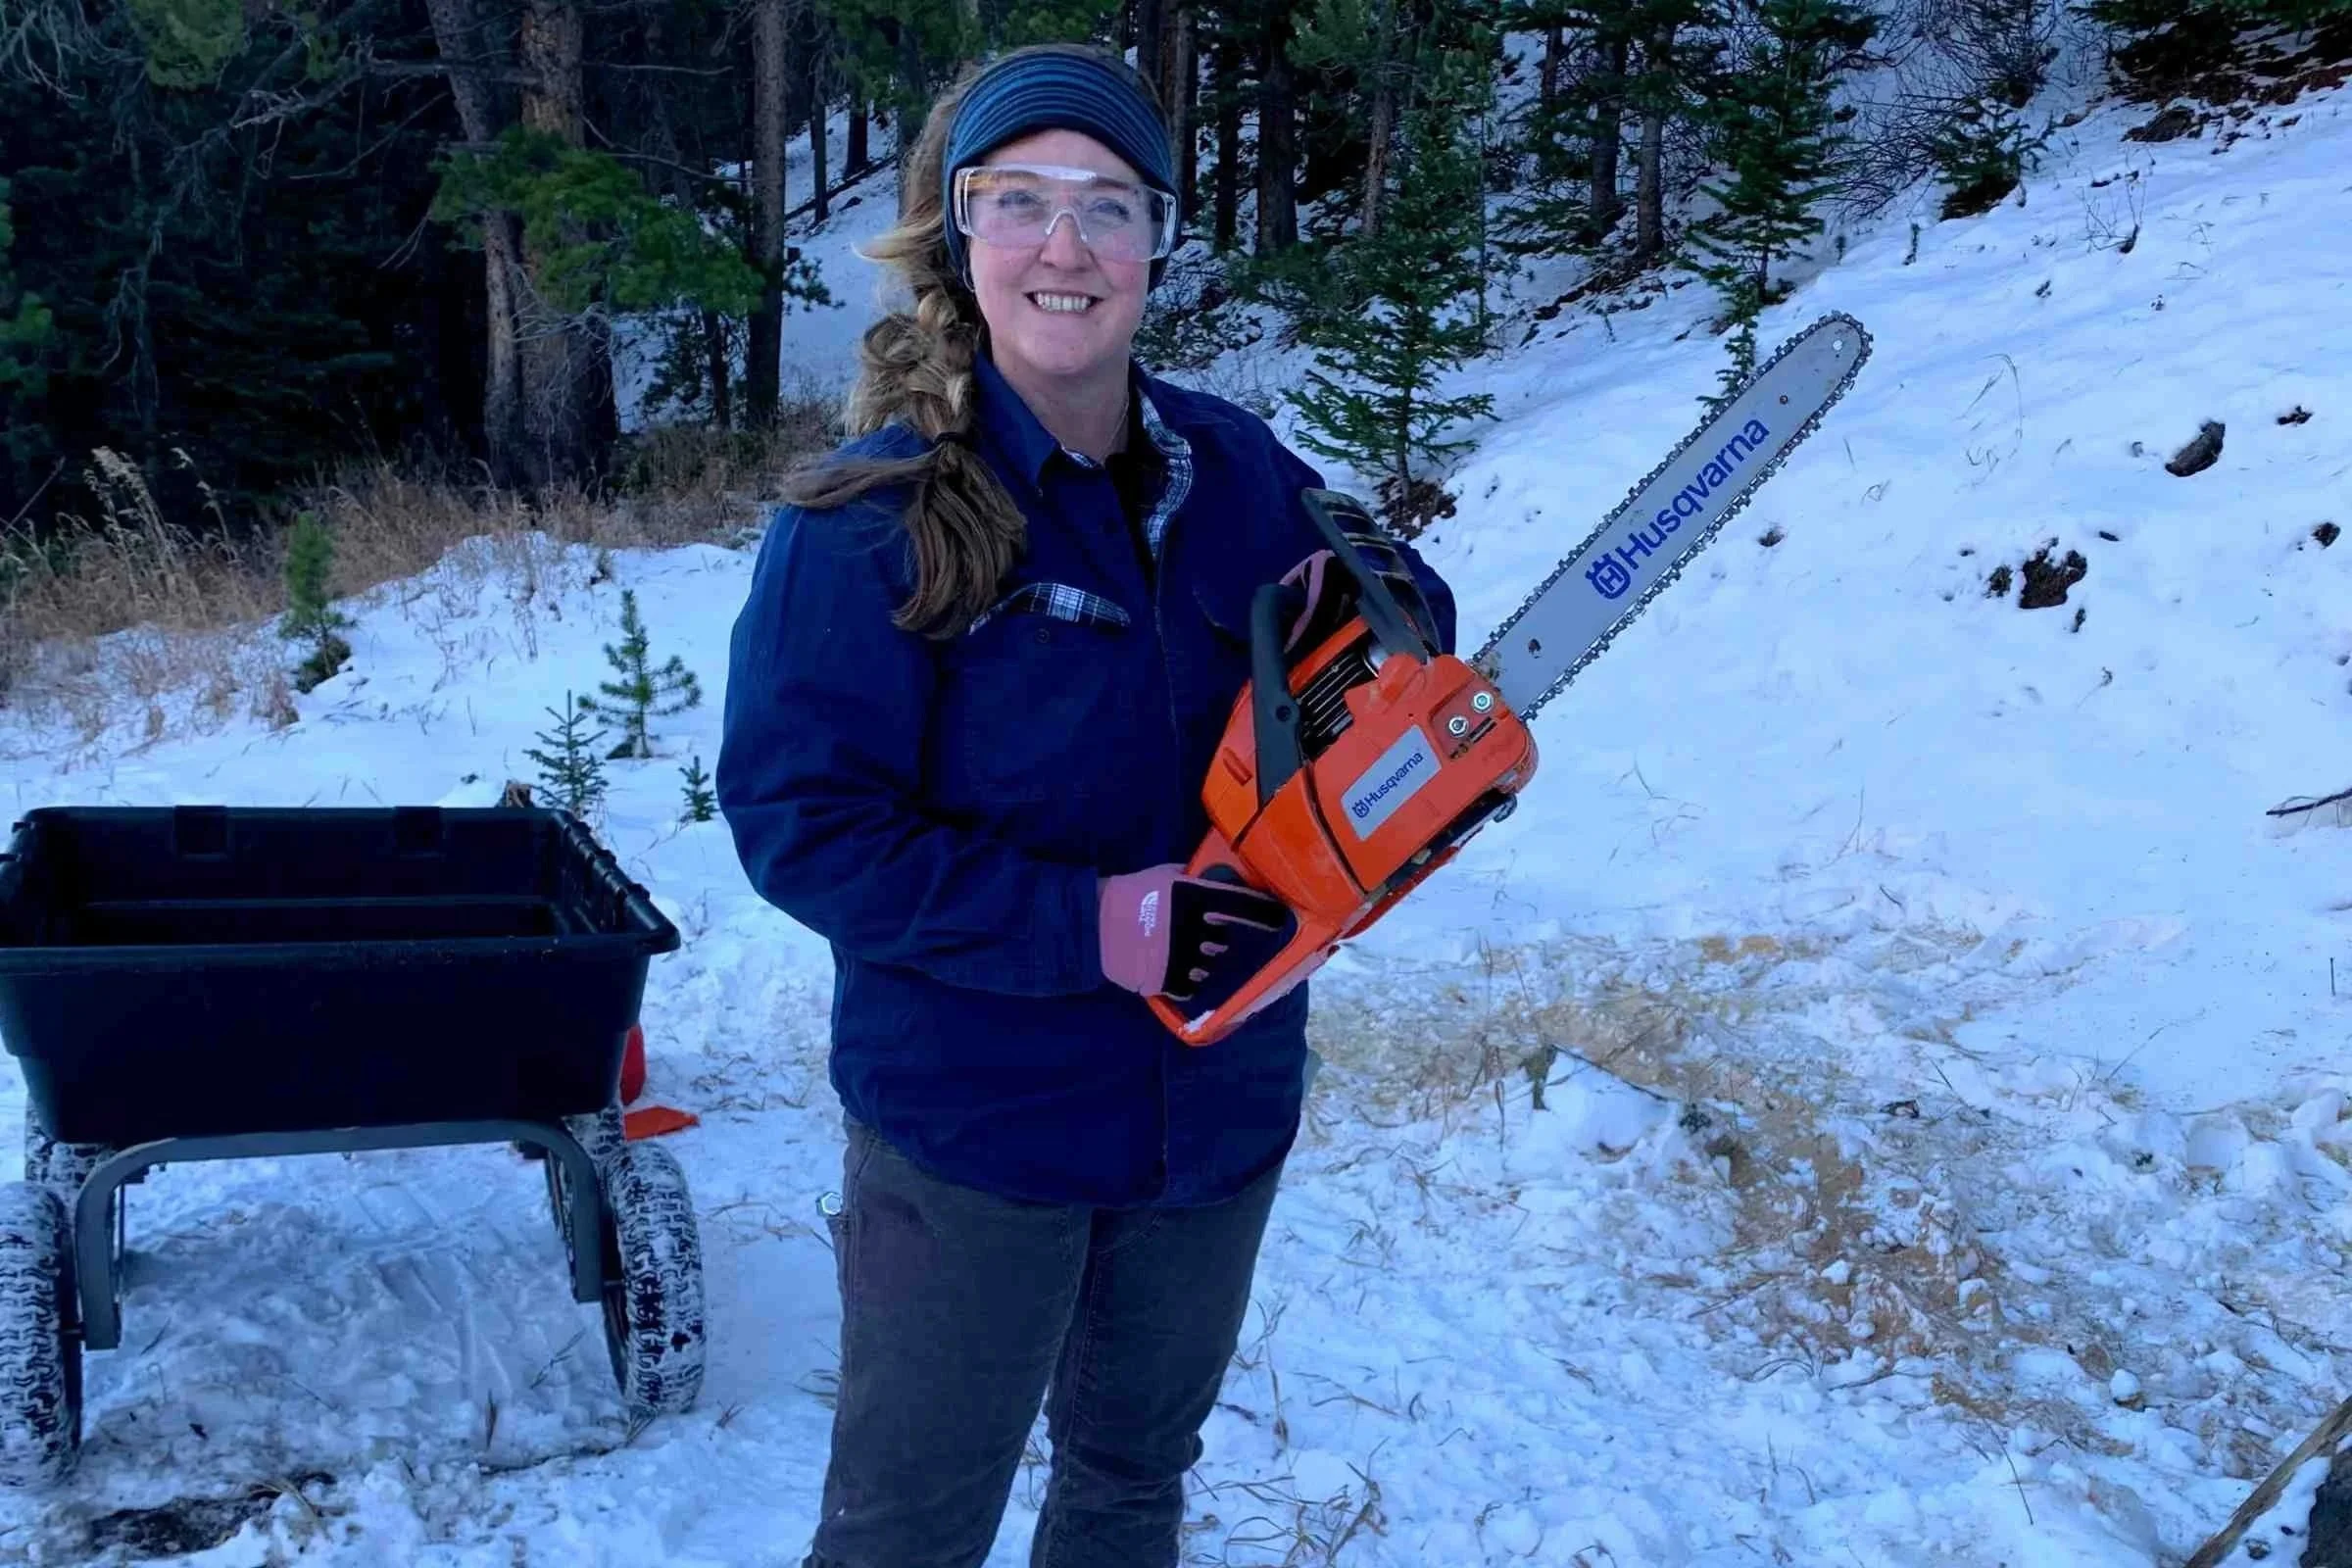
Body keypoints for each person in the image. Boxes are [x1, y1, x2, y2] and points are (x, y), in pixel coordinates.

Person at [714, 39, 1458, 1568]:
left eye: (1110, 206)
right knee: (911, 1524)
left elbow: (1408, 614)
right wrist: (1091, 927)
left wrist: (1377, 675)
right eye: (1022, 201)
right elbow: (803, 825)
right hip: (973, 1126)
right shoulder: (871, 519)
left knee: (1130, 1481)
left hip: (1216, 1108)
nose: (1068, 245)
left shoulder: (1238, 468)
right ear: (960, 231)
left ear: (1157, 241)